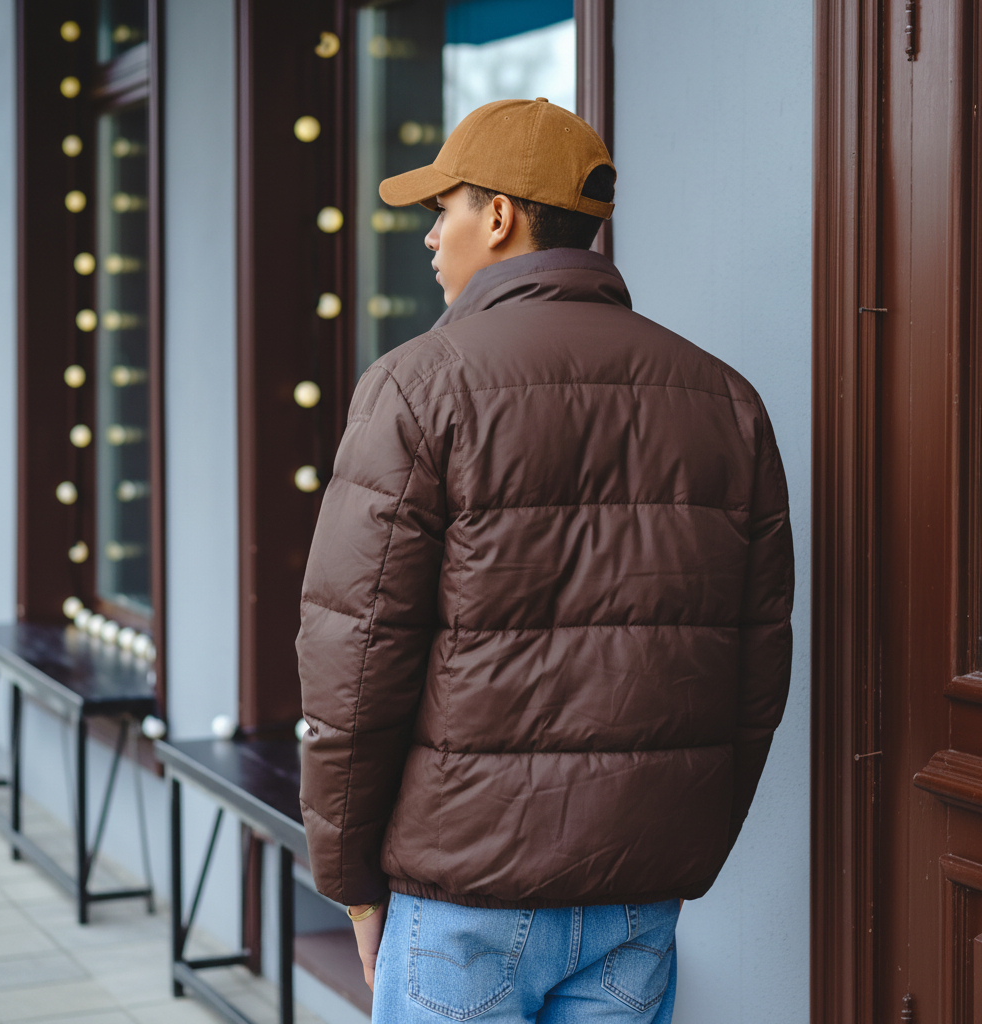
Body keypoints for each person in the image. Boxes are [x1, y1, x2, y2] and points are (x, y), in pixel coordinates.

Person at [296, 98, 793, 1023]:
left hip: (462, 892)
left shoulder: (417, 386)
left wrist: (352, 884)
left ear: (498, 215)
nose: (430, 237)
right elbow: (756, 668)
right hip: (639, 892)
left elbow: (353, 664)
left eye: (441, 209)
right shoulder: (726, 400)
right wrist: (681, 843)